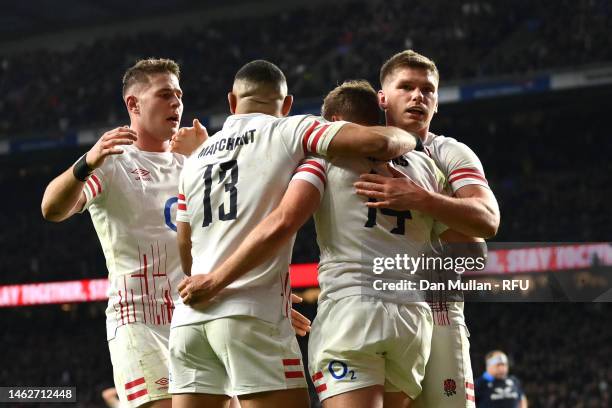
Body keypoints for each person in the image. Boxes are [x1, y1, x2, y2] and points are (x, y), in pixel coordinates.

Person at [177, 78, 459, 408]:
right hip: (413, 317)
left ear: (334, 125)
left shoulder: (321, 158)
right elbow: (468, 238)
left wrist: (216, 279)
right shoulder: (428, 169)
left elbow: (284, 218)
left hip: (351, 311)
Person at [41, 58, 207, 408]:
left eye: (179, 94)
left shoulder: (191, 164)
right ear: (134, 104)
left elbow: (217, 239)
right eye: (164, 95)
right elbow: (51, 209)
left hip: (198, 318)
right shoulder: (112, 163)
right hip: (140, 324)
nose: (176, 103)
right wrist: (87, 161)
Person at [354, 49, 500, 408]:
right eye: (406, 86)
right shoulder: (352, 148)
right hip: (368, 307)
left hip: (438, 311)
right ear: (382, 98)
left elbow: (486, 222)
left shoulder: (448, 151)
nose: (418, 95)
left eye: (428, 89)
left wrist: (419, 198)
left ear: (437, 103)